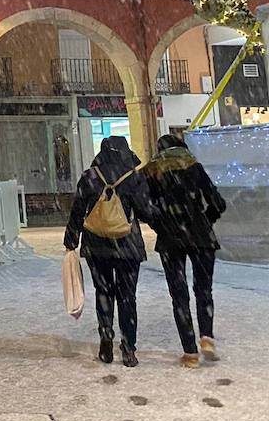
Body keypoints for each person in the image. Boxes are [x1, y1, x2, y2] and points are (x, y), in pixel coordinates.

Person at [64, 136, 157, 367]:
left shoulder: (90, 177)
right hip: (128, 246)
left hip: (96, 246)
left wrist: (71, 239)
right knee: (127, 297)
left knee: (103, 292)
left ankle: (106, 338)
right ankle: (128, 347)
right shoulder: (134, 178)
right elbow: (146, 211)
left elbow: (78, 210)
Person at [144, 134, 228, 368]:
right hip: (201, 236)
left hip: (171, 240)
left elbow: (145, 208)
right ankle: (207, 338)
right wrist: (203, 222)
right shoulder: (194, 167)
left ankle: (190, 353)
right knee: (204, 290)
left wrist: (161, 225)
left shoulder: (151, 172)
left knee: (179, 295)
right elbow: (218, 203)